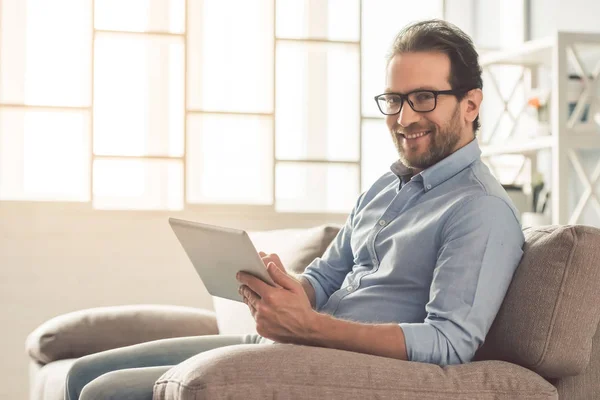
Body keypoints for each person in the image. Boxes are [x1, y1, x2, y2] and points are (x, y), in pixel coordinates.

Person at [65, 19, 525, 400]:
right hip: (292, 342)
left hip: (324, 359)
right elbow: (325, 278)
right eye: (394, 100)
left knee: (103, 392)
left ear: (470, 104)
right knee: (80, 374)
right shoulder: (387, 185)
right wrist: (284, 289)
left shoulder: (479, 209)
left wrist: (311, 328)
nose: (404, 119)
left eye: (424, 98)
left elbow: (448, 342)